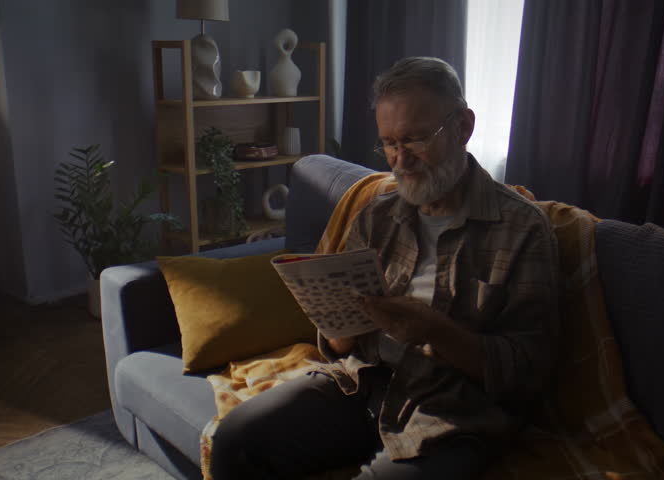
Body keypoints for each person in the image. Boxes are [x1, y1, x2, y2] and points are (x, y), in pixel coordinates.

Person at [210, 57, 561, 480]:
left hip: (450, 412)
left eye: (415, 139)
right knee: (235, 441)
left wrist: (436, 333)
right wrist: (337, 326)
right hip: (359, 384)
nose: (399, 160)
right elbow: (341, 343)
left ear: (464, 127)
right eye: (389, 143)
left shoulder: (522, 228)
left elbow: (530, 372)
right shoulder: (378, 212)